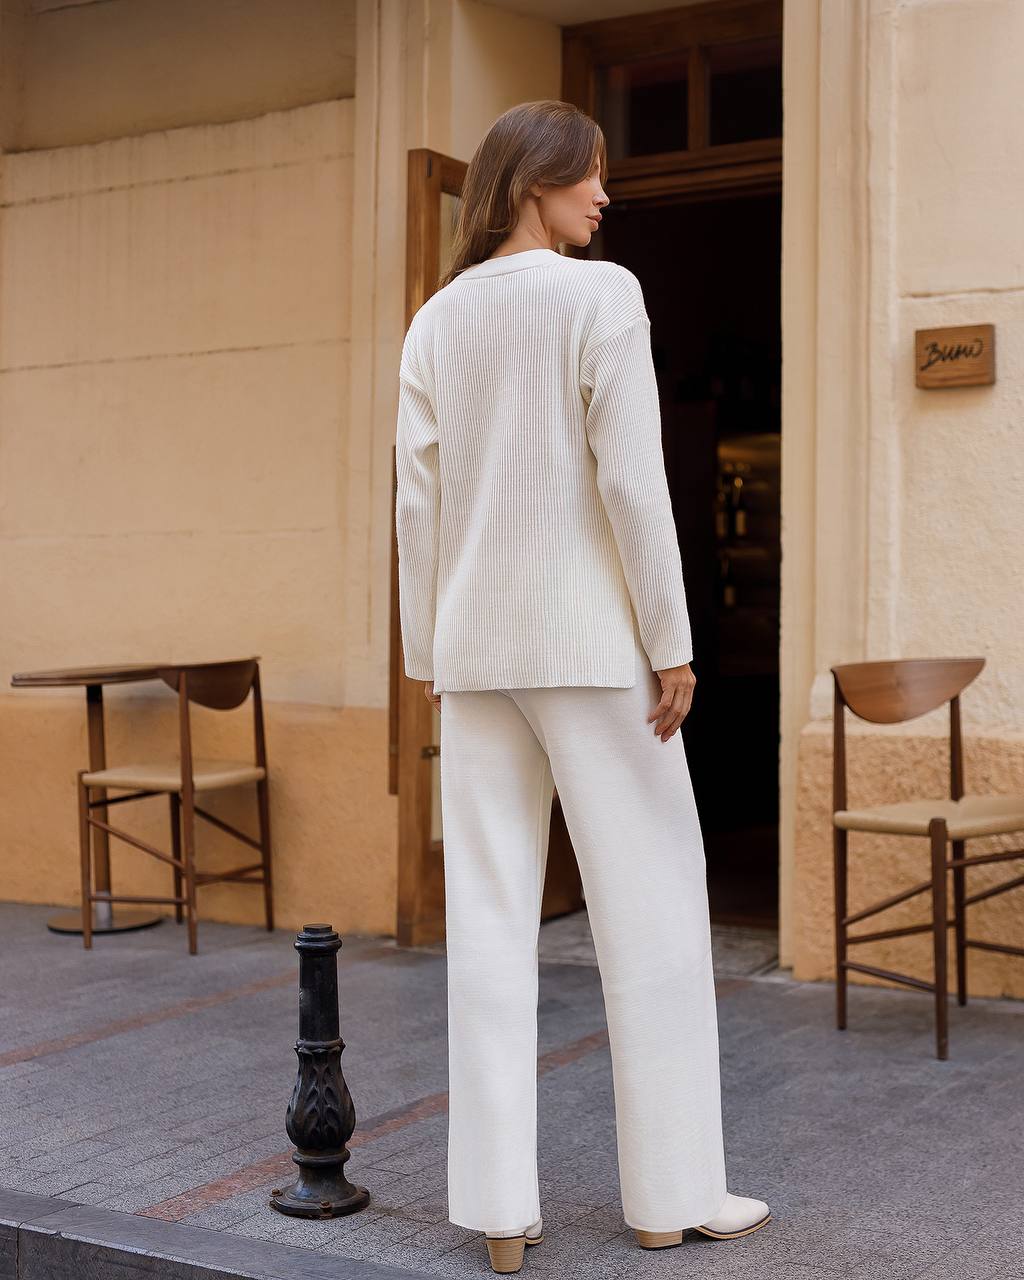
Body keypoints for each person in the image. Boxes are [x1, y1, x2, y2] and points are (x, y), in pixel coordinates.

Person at [394, 99, 770, 1275]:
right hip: (592, 647)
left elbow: (417, 504)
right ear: (528, 186)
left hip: (475, 656)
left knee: (491, 923)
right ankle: (670, 1194)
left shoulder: (435, 320)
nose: (604, 197)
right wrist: (672, 639)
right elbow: (633, 480)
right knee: (651, 909)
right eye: (588, 176)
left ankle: (502, 1215)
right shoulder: (599, 295)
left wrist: (427, 655)